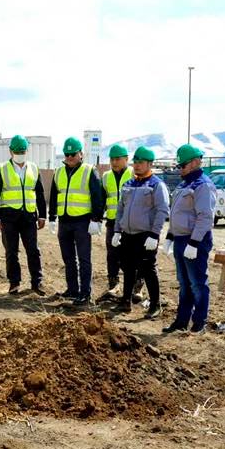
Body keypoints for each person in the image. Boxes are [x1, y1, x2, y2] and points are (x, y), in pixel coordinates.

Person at [162, 144, 217, 334]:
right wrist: (170, 235)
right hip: (180, 240)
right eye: (179, 165)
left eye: (182, 165)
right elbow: (176, 214)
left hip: (195, 241)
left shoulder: (203, 185)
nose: (180, 169)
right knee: (184, 284)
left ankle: (199, 322)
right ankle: (182, 320)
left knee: (198, 283)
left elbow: (205, 217)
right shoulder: (183, 184)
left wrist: (194, 243)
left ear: (195, 162)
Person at [111, 146, 169, 317]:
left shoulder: (156, 185)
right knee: (128, 269)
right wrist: (117, 230)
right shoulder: (128, 184)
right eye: (135, 162)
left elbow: (162, 210)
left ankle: (155, 305)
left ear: (150, 164)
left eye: (141, 162)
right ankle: (125, 301)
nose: (137, 166)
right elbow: (121, 209)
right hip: (128, 235)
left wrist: (154, 234)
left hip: (145, 236)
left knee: (148, 269)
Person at [48, 136, 105, 306]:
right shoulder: (58, 172)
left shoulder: (89, 170)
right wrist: (52, 217)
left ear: (81, 154)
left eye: (73, 154)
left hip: (82, 222)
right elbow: (53, 196)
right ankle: (72, 290)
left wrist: (96, 219)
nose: (70, 157)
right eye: (67, 154)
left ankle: (85, 293)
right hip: (65, 222)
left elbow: (98, 197)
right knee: (68, 258)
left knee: (84, 259)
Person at [0, 135, 47, 295]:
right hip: (8, 217)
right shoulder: (1, 168)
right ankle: (14, 283)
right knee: (11, 251)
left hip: (29, 216)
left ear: (26, 151)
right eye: (17, 151)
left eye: (22, 151)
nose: (20, 154)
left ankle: (37, 282)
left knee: (33, 250)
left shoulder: (34, 168)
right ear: (10, 151)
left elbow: (40, 193)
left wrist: (42, 215)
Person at [101, 144, 142, 302]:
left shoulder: (135, 174)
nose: (114, 162)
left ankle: (137, 288)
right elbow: (102, 199)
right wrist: (96, 218)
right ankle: (113, 285)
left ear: (126, 159)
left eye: (118, 159)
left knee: (134, 257)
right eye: (112, 159)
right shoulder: (106, 177)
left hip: (131, 225)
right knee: (112, 255)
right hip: (112, 223)